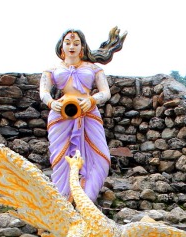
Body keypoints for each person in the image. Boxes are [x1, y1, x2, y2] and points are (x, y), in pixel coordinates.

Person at [39, 27, 126, 203]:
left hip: (88, 113)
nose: (72, 46)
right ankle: (63, 202)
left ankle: (86, 200)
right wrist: (51, 103)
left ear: (82, 47)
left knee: (101, 158)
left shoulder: (93, 68)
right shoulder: (52, 69)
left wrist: (92, 100)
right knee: (61, 160)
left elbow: (105, 92)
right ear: (61, 46)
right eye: (68, 42)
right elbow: (43, 91)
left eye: (76, 43)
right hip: (62, 115)